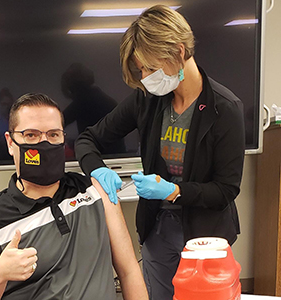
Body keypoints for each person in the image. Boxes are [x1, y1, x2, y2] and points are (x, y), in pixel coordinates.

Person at [75, 5, 245, 300]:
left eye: (150, 68)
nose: (145, 78)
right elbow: (88, 139)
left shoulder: (225, 109)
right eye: (141, 70)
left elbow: (225, 190)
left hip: (205, 233)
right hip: (157, 228)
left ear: (179, 52)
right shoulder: (148, 100)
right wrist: (96, 169)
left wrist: (173, 191)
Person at [0, 93, 148, 300]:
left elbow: (129, 272)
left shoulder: (94, 191)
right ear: (10, 142)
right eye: (31, 135)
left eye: (53, 135)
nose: (44, 143)